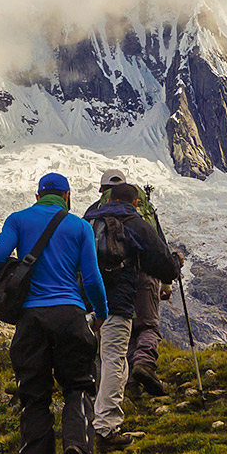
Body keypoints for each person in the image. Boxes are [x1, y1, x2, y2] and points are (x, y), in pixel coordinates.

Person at [0, 172, 109, 454]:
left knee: (34, 397)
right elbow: (92, 279)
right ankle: (77, 447)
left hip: (31, 322)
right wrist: (102, 313)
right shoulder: (79, 226)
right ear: (67, 196)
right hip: (70, 316)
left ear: (38, 195)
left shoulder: (19, 220)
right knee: (79, 387)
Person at [83, 182, 181, 451]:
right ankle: (107, 428)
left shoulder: (90, 219)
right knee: (115, 357)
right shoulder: (134, 223)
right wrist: (174, 265)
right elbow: (161, 262)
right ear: (136, 202)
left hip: (88, 301)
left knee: (101, 358)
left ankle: (91, 420)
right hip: (119, 301)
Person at [88, 169, 175, 397]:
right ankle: (144, 364)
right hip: (145, 278)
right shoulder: (141, 214)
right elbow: (159, 248)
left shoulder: (93, 214)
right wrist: (167, 280)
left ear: (103, 190)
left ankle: (127, 385)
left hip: (106, 281)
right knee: (146, 325)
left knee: (117, 333)